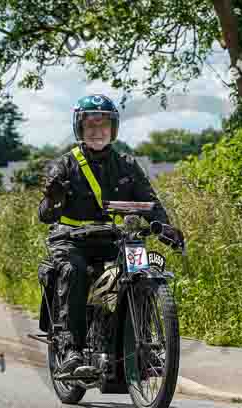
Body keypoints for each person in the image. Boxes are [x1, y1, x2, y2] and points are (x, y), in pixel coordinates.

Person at [38, 94, 183, 378]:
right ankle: (71, 350)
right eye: (90, 126)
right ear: (80, 129)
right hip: (71, 239)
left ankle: (144, 346)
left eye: (103, 126)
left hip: (113, 238)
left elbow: (151, 203)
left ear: (113, 129)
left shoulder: (128, 165)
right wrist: (53, 199)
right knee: (73, 270)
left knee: (140, 267)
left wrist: (165, 228)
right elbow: (45, 214)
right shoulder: (64, 165)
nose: (97, 132)